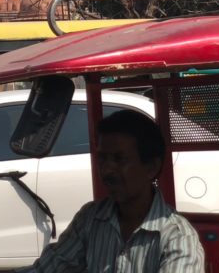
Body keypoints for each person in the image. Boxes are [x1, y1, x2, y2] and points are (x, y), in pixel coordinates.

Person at [20, 109, 204, 273]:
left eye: (119, 159)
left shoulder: (178, 238)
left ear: (151, 167)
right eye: (102, 159)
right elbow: (49, 266)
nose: (107, 170)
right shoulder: (91, 218)